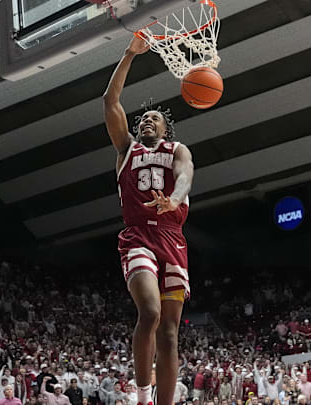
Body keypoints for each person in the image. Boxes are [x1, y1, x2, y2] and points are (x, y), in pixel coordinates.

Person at [103, 35, 195, 405]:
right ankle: (142, 396)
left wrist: (172, 199)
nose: (145, 121)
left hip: (173, 237)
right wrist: (128, 55)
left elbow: (186, 176)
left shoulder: (178, 150)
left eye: (153, 119)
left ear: (165, 129)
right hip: (138, 236)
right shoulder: (127, 149)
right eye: (142, 119)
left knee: (171, 335)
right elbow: (110, 102)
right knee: (151, 312)